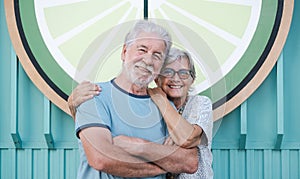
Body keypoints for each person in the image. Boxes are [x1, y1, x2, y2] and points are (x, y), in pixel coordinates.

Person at [73, 20, 199, 179]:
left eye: (157, 55)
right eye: (142, 50)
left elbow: (190, 162)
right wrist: (163, 164)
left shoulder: (164, 105)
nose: (148, 60)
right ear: (124, 52)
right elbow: (101, 158)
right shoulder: (92, 96)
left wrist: (140, 147)